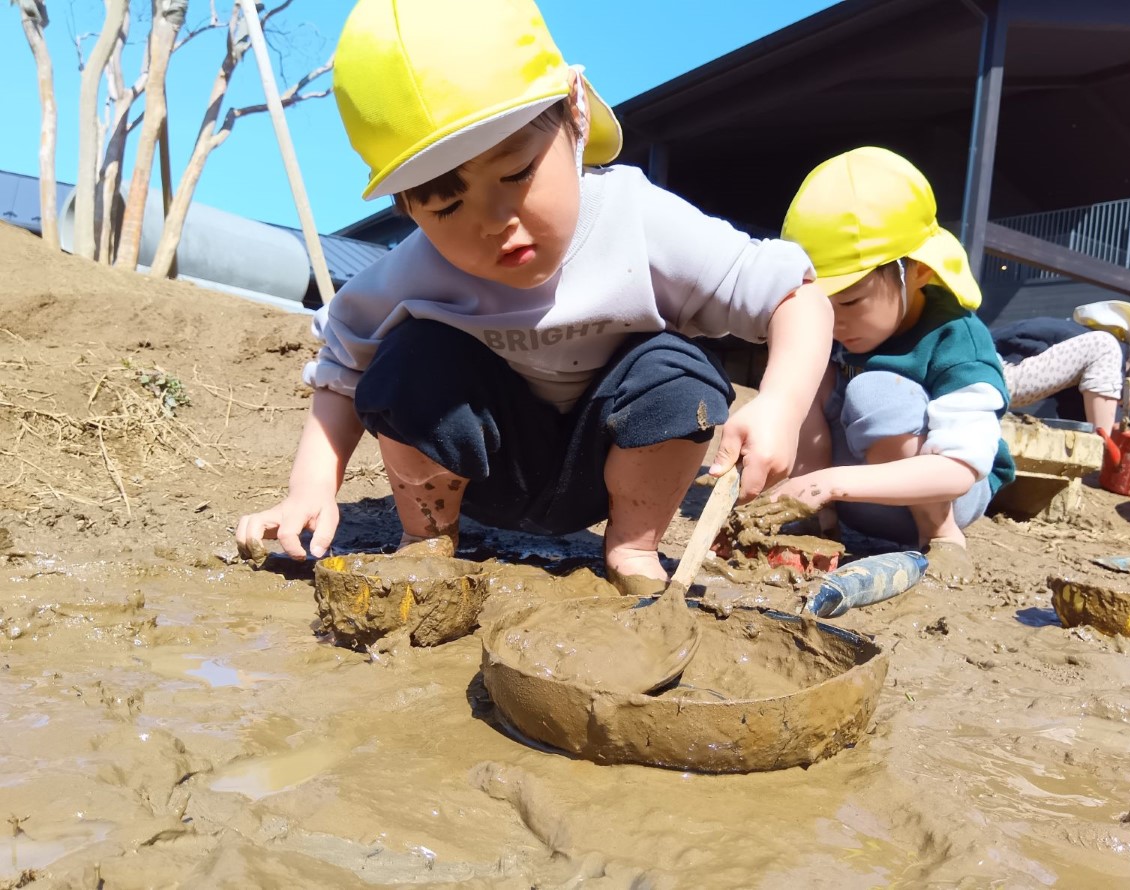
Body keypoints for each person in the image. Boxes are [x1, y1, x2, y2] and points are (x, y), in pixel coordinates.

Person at [234, 0, 832, 593]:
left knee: (678, 372)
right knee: (409, 362)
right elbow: (342, 373)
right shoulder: (408, 276)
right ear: (408, 209)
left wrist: (781, 403)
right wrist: (309, 490)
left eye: (516, 173)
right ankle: (425, 541)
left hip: (608, 469)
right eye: (446, 206)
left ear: (574, 115)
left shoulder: (642, 222)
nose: (494, 221)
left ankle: (634, 549)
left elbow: (796, 296)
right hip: (485, 474)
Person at [765, 147, 1015, 581]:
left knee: (877, 390)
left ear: (915, 270)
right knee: (805, 376)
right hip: (857, 495)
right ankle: (816, 522)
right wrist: (811, 498)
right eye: (820, 304)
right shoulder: (832, 329)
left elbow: (960, 469)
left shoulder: (957, 341)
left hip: (939, 493)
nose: (834, 319)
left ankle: (941, 536)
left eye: (849, 300)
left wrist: (833, 484)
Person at [993, 305, 1130, 431]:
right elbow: (1100, 435)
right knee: (1105, 345)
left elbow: (1080, 425)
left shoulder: (1089, 376)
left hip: (988, 383)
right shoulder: (1108, 354)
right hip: (987, 368)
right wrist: (1106, 437)